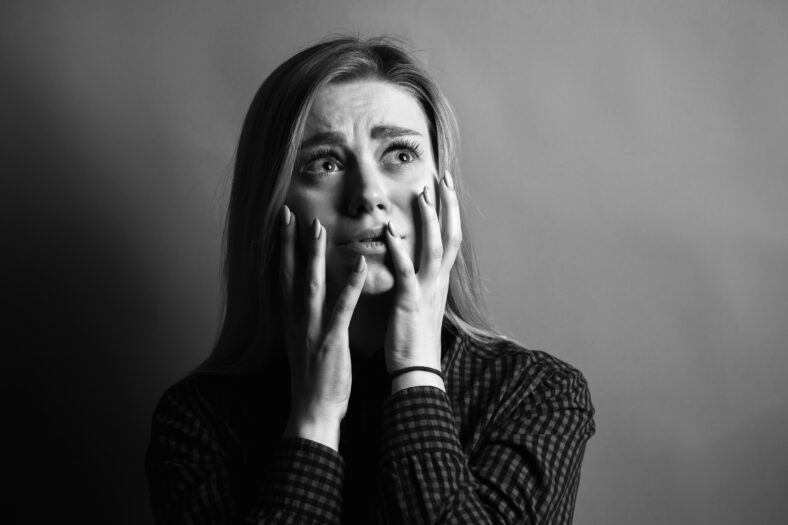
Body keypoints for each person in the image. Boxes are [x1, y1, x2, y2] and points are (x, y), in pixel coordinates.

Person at [146, 36, 595, 524]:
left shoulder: (536, 393)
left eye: (400, 154)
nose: (368, 195)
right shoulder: (198, 421)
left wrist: (417, 371)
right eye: (325, 163)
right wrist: (314, 420)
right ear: (275, 205)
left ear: (441, 188)